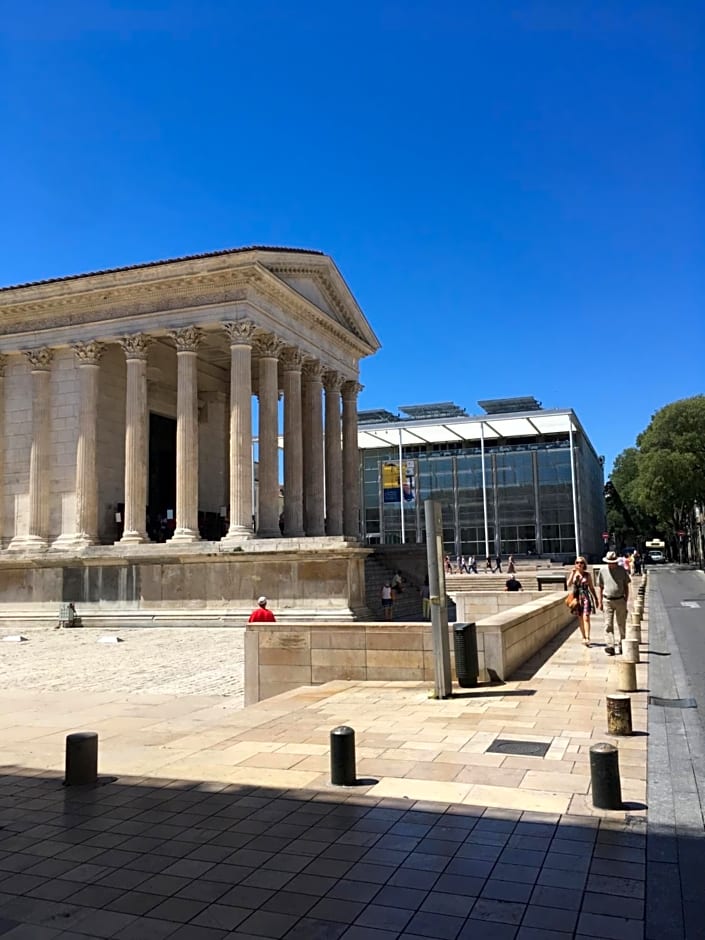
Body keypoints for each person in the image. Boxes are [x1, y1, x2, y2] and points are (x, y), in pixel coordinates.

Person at [597, 550, 631, 655]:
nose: (611, 564)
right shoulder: (602, 571)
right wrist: (600, 602)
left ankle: (622, 643)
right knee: (608, 624)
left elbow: (626, 585)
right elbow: (601, 587)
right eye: (609, 562)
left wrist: (626, 599)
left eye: (613, 562)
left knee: (621, 623)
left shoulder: (622, 571)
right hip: (607, 600)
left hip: (620, 599)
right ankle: (610, 645)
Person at [567, 556, 598, 647]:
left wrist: (596, 599)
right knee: (580, 618)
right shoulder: (574, 574)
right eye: (577, 562)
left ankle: (588, 637)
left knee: (586, 617)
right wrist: (572, 574)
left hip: (585, 598)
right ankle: (583, 636)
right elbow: (568, 584)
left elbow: (591, 588)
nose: (579, 564)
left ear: (584, 564)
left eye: (581, 562)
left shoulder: (587, 575)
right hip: (577, 599)